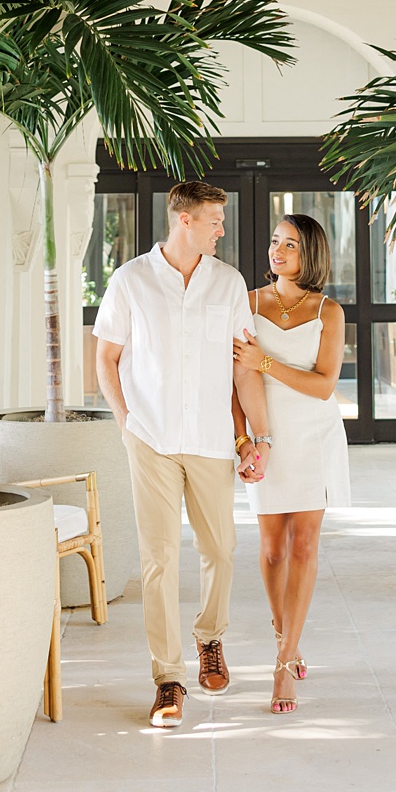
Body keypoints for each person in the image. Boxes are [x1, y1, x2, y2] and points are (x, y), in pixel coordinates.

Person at [94, 181, 272, 729]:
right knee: (160, 558)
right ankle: (167, 677)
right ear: (184, 222)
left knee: (221, 549)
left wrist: (254, 438)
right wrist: (128, 425)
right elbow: (105, 358)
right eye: (215, 220)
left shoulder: (229, 283)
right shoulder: (131, 281)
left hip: (212, 439)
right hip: (151, 439)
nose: (222, 229)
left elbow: (243, 365)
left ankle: (209, 639)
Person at [233, 212, 350, 715]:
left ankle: (283, 663)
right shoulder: (247, 304)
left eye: (291, 245)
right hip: (267, 438)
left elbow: (324, 386)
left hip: (316, 437)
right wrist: (245, 442)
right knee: (272, 548)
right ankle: (288, 636)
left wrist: (266, 363)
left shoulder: (329, 311)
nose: (277, 252)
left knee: (304, 545)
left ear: (312, 255)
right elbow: (234, 381)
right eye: (275, 241)